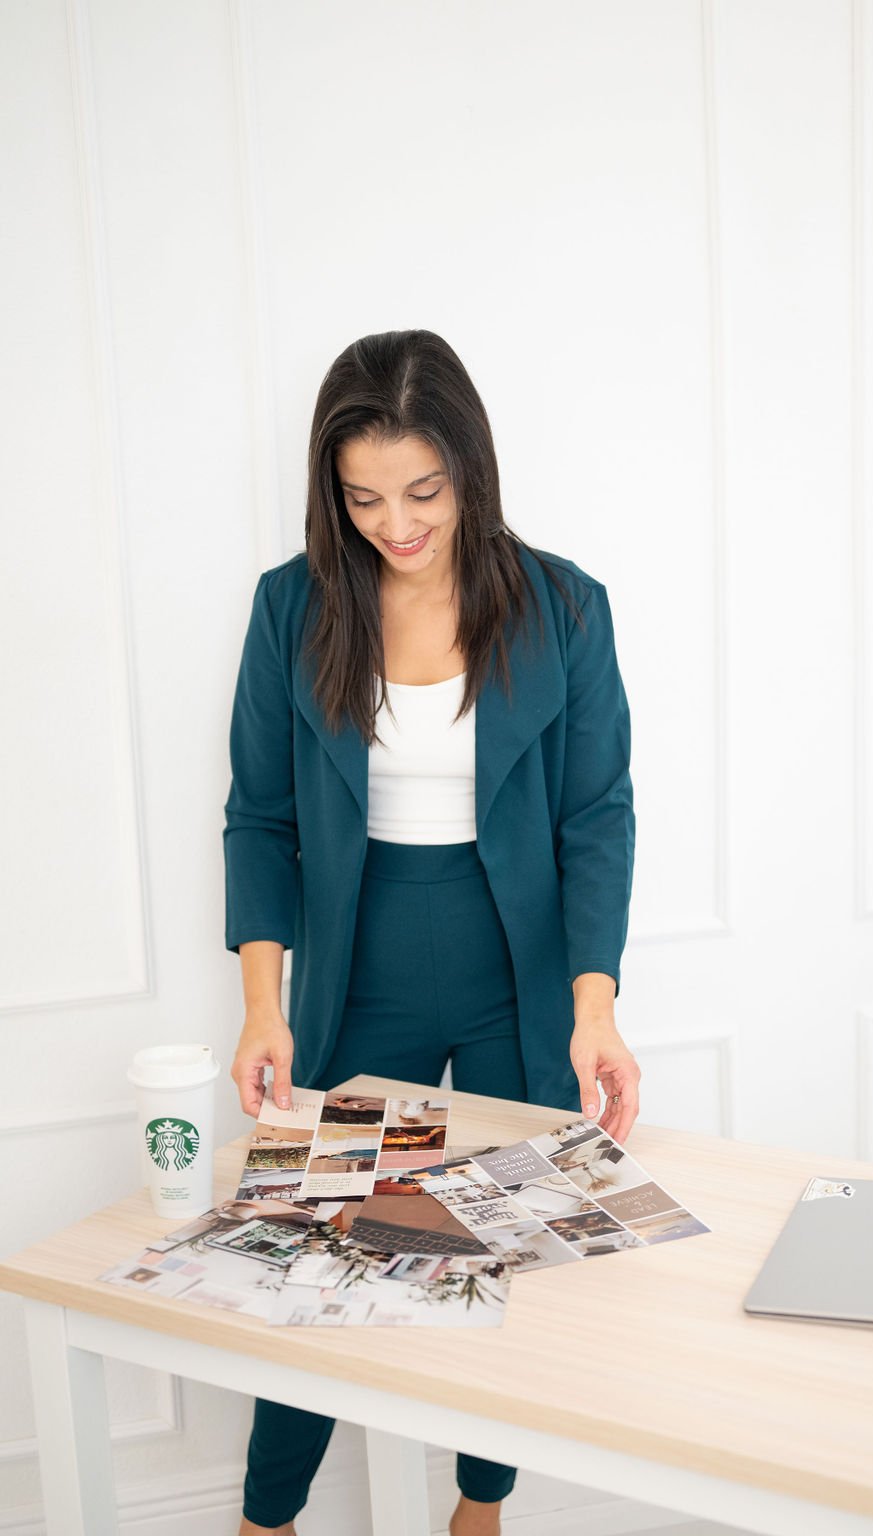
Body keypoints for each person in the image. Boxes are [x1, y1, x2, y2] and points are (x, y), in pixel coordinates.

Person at [223, 329, 639, 1536]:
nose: (396, 525)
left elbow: (595, 818)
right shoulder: (290, 606)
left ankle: (480, 1507)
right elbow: (258, 817)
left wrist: (594, 1010)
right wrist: (263, 1004)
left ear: (470, 470)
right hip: (362, 972)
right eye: (362, 499)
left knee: (498, 1252)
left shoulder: (563, 605)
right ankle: (266, 1519)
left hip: (520, 975)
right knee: (312, 1259)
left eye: (422, 492)